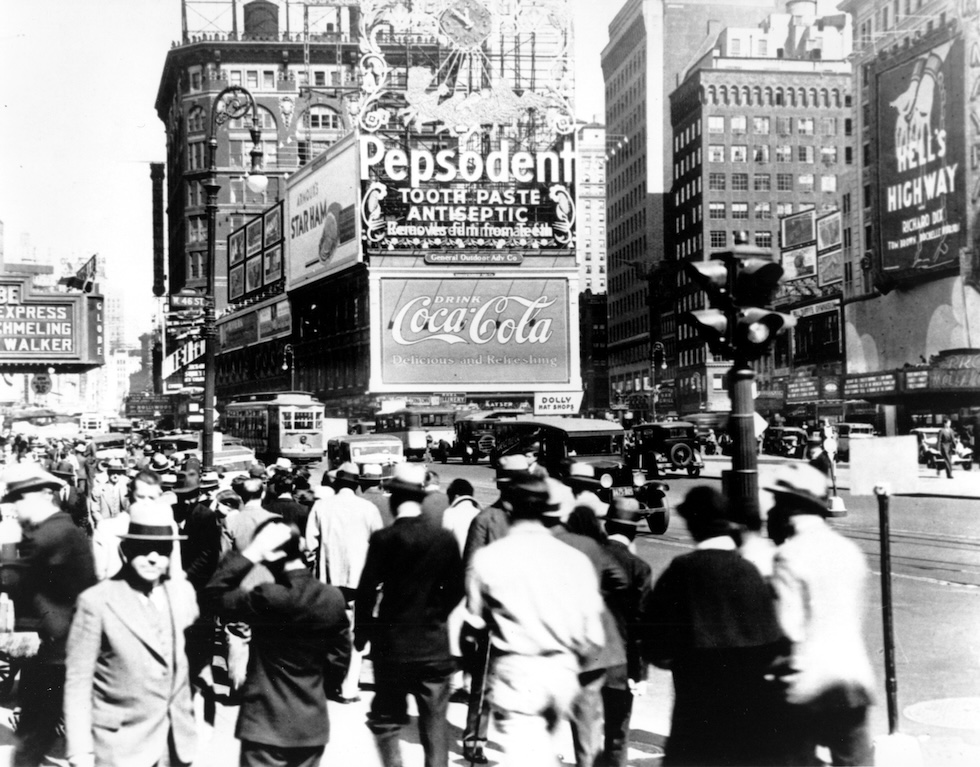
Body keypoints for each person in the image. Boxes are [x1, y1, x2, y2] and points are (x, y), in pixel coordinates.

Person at [642, 486, 787, 766]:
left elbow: (654, 645)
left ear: (695, 526)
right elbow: (773, 645)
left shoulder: (682, 571)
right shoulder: (750, 572)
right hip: (747, 724)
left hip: (695, 719)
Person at [467, 475, 605, 767]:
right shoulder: (574, 559)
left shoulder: (490, 559)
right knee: (543, 751)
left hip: (517, 674)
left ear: (508, 507)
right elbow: (594, 637)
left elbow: (474, 620)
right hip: (562, 674)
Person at [206, 518, 350, 767]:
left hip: (265, 724)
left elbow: (213, 595)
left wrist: (251, 553)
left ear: (271, 554)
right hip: (310, 724)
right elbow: (339, 658)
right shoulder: (332, 597)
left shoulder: (267, 596)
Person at [64, 501, 198, 767]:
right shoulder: (97, 601)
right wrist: (80, 751)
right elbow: (78, 681)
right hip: (119, 747)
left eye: (162, 550)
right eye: (143, 548)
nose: (153, 557)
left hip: (175, 744)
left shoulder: (178, 595)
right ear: (125, 550)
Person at [355, 463, 465, 767]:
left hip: (393, 646)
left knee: (387, 720)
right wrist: (436, 613)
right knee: (434, 723)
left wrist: (362, 631)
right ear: (421, 499)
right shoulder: (443, 538)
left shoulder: (384, 539)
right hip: (433, 645)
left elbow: (366, 590)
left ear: (393, 498)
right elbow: (457, 589)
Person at [766, 464, 875, 766]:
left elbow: (789, 628)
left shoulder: (789, 555)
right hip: (853, 681)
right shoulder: (849, 550)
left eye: (777, 502)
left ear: (789, 507)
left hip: (808, 687)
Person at [0, 464, 97, 767]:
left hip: (60, 652)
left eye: (20, 498)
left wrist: (8, 538)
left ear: (44, 495)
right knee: (37, 733)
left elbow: (11, 579)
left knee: (36, 736)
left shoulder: (53, 534)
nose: (15, 506)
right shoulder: (58, 529)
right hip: (55, 649)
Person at [459, 454, 529, 763]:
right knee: (485, 682)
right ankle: (475, 740)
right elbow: (471, 572)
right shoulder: (485, 520)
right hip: (494, 617)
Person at [305, 461, 384, 704]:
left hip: (328, 580)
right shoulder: (368, 508)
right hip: (360, 580)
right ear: (357, 484)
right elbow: (379, 543)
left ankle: (328, 683)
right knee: (356, 633)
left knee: (328, 631)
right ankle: (349, 689)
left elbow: (310, 545)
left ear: (337, 483)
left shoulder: (321, 506)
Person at [599, 499, 654, 767]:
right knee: (617, 735)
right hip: (619, 664)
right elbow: (640, 626)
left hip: (584, 659)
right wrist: (639, 673)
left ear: (607, 525)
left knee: (584, 732)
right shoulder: (639, 568)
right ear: (633, 532)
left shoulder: (587, 556)